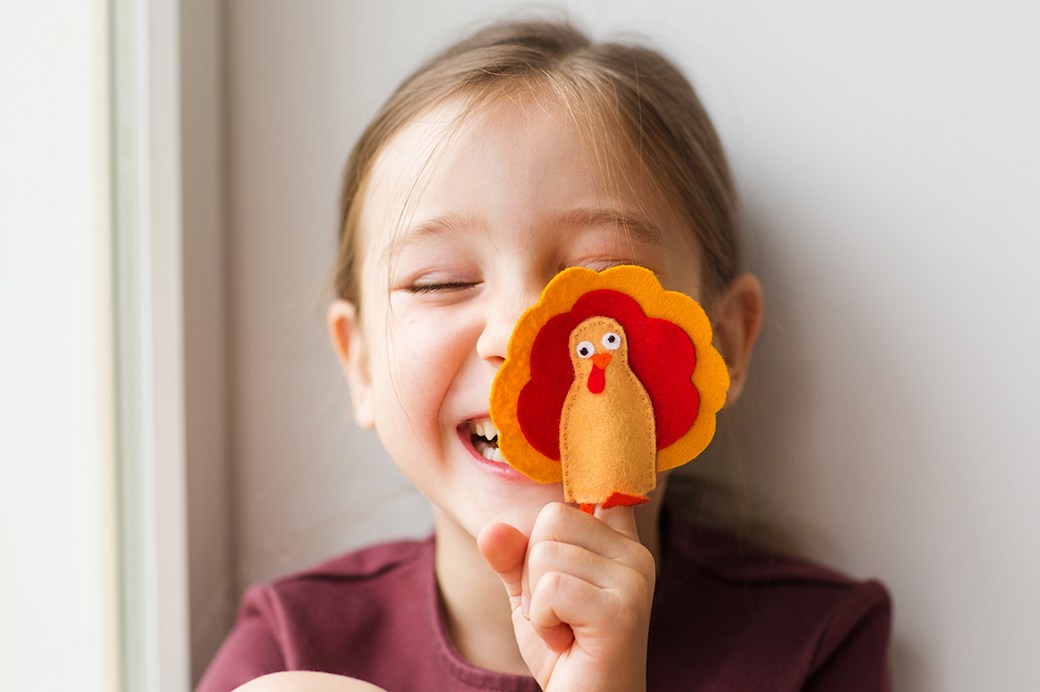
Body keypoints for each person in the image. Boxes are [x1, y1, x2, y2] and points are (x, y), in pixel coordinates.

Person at [198, 18, 891, 692]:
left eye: (595, 279)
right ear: (361, 365)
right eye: (441, 282)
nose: (518, 333)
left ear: (724, 345)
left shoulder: (816, 647)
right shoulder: (289, 648)